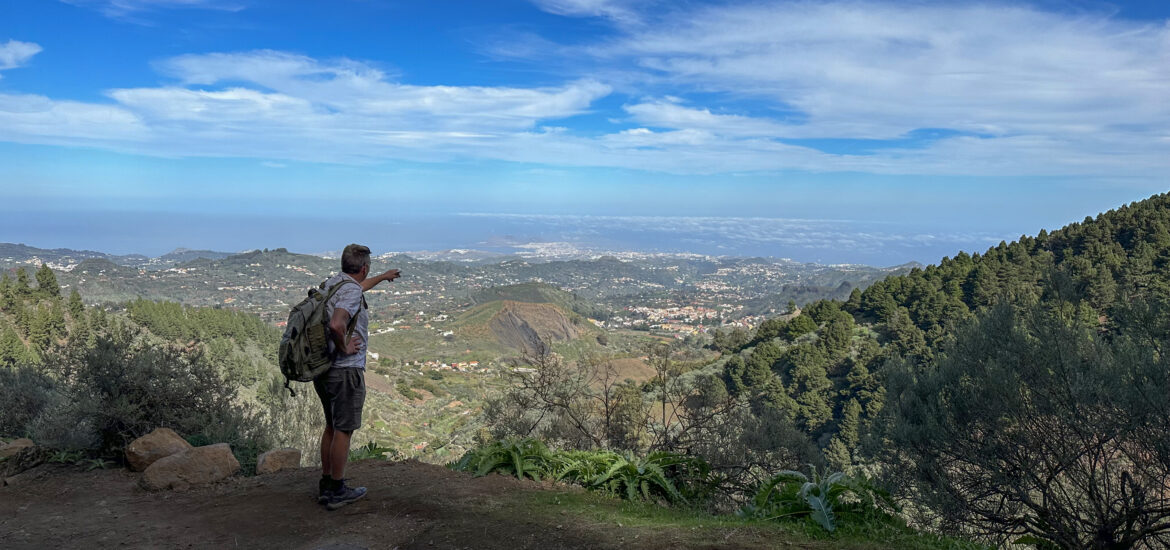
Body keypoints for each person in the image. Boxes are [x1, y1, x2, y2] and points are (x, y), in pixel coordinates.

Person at [316, 243, 400, 510]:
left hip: (324, 369)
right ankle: (338, 491)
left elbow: (357, 288)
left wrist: (383, 277)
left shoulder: (334, 284)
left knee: (331, 426)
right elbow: (336, 323)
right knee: (344, 430)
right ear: (363, 268)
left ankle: (327, 484)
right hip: (345, 370)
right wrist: (344, 346)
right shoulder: (350, 291)